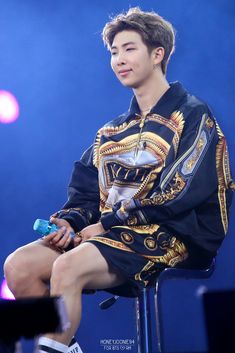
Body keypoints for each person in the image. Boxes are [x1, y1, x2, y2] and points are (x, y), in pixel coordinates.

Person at [3, 7, 234, 353]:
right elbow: (83, 193)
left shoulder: (192, 114)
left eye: (129, 48)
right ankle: (63, 346)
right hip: (112, 237)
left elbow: (179, 192)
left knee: (67, 266)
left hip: (172, 235)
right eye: (113, 52)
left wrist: (109, 222)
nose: (119, 59)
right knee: (18, 265)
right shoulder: (111, 131)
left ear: (158, 54)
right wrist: (70, 222)